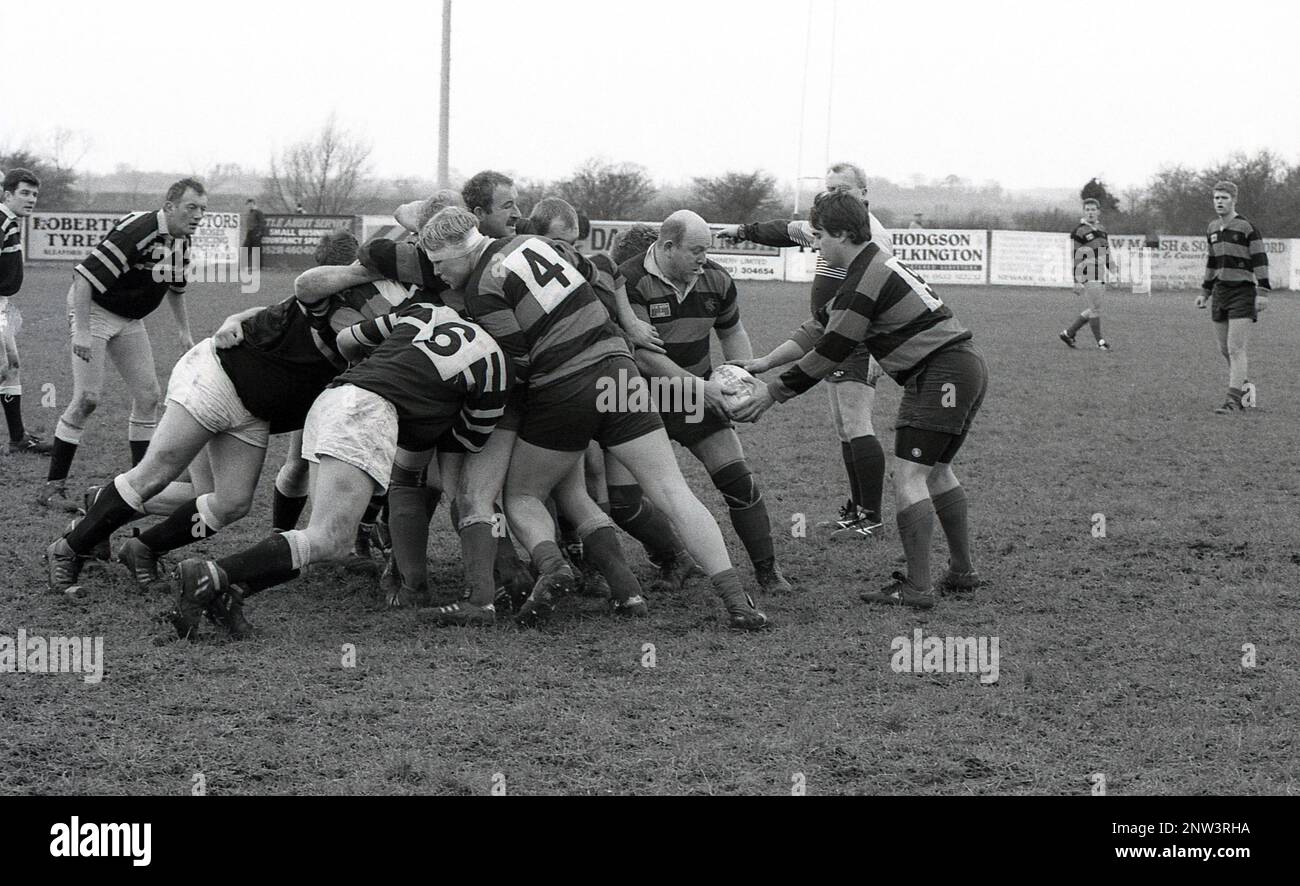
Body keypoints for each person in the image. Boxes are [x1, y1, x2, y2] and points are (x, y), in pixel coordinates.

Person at [417, 207, 770, 630]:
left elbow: (518, 362)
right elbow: (600, 269)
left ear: (461, 249)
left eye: (439, 262)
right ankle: (738, 603)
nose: (437, 272)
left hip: (564, 387)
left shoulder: (481, 288)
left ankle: (554, 567)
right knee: (673, 491)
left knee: (522, 495)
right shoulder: (538, 243)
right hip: (619, 372)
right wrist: (629, 322)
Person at [46, 229, 407, 612]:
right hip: (217, 378)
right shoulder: (323, 295)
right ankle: (67, 548)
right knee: (159, 471)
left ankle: (142, 547)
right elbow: (300, 288)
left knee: (231, 503)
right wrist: (365, 271)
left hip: (252, 410)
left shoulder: (366, 311)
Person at [166, 300, 513, 640]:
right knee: (329, 538)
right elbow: (462, 453)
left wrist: (373, 372)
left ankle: (232, 592)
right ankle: (209, 573)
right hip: (365, 413)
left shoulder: (430, 311)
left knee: (326, 540)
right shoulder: (496, 363)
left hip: (333, 398)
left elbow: (347, 338)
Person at [731, 192, 987, 610]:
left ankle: (918, 587)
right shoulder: (870, 268)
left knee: (910, 476)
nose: (816, 244)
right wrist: (764, 362)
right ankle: (961, 571)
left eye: (819, 236)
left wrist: (772, 394)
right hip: (964, 366)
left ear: (843, 234)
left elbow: (832, 348)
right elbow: (818, 328)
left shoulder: (864, 279)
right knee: (937, 472)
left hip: (940, 374)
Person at [717, 161, 892, 541]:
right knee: (845, 427)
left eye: (842, 189)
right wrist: (743, 231)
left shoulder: (872, 237)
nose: (833, 195)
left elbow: (875, 300)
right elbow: (786, 230)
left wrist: (876, 352)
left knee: (857, 423)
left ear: (864, 193)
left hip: (856, 338)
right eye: (829, 188)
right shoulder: (829, 224)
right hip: (831, 331)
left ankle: (871, 517)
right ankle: (858, 510)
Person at [622, 210, 792, 594]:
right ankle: (673, 558)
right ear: (668, 247)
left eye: (707, 250)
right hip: (636, 397)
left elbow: (732, 332)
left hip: (698, 394)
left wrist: (742, 381)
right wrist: (700, 389)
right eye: (696, 250)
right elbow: (644, 356)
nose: (704, 258)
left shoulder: (716, 279)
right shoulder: (630, 280)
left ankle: (768, 571)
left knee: (738, 480)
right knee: (621, 499)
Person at [40, 178, 203, 509]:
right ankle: (52, 489)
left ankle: (138, 485)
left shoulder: (182, 240)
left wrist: (183, 331)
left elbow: (176, 287)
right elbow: (83, 277)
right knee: (87, 398)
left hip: (129, 319)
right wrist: (82, 330)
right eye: (191, 207)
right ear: (169, 207)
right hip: (94, 310)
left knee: (149, 396)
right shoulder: (138, 230)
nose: (198, 215)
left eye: (202, 209)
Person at [1195, 181, 1268, 414]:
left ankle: (1232, 401)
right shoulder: (1212, 228)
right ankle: (1244, 389)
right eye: (1216, 198)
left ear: (1234, 200)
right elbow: (1212, 262)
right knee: (1224, 349)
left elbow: (1260, 259)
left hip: (1242, 292)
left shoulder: (1247, 227)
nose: (1219, 201)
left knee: (1236, 348)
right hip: (1220, 292)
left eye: (1224, 198)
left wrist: (1263, 291)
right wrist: (1205, 292)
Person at [0, 167, 51, 453]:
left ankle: (18, 437)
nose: (31, 199)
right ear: (8, 195)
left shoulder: (9, 221)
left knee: (11, 367)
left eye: (34, 194)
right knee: (5, 367)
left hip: (3, 306)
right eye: (25, 193)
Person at [1058, 197, 1115, 351]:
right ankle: (1100, 342)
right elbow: (1076, 256)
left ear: (1098, 212)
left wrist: (1113, 271)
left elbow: (1106, 252)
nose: (1090, 212)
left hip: (1100, 273)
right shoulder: (1080, 231)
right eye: (1087, 210)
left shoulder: (1102, 230)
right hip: (1088, 272)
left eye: (1093, 210)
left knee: (1094, 308)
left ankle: (1068, 333)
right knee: (1095, 309)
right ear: (1084, 212)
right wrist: (1076, 280)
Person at [241, 198, 265, 267]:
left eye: (250, 204)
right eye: (248, 205)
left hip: (256, 232)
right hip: (249, 233)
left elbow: (262, 222)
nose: (249, 206)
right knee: (245, 248)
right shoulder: (250, 212)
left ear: (253, 204)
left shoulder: (258, 212)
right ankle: (244, 265)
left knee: (256, 249)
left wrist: (259, 233)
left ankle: (258, 266)